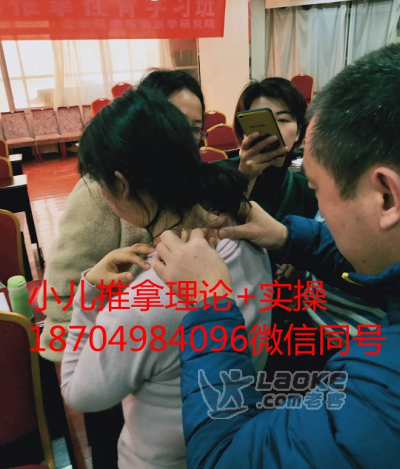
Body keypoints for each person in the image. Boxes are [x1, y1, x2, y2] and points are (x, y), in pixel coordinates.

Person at [152, 44, 400, 467]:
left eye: (319, 190)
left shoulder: (379, 392)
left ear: (386, 197)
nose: (320, 213)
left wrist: (210, 305)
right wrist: (289, 236)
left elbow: (223, 458)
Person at [61, 87, 273, 469]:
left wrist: (89, 293)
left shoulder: (139, 305)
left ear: (121, 185)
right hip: (237, 436)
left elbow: (77, 392)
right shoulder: (251, 241)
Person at [38, 69, 208, 469]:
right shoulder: (99, 191)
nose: (181, 143)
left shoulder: (200, 195)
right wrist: (94, 343)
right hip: (111, 359)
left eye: (193, 130)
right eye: (172, 126)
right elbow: (61, 293)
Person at [232, 77, 318, 221]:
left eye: (283, 120)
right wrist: (244, 177)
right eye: (260, 121)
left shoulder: (308, 190)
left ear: (298, 132)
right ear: (243, 130)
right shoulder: (217, 175)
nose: (274, 129)